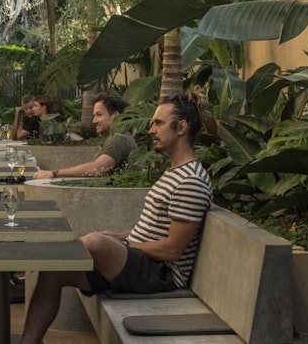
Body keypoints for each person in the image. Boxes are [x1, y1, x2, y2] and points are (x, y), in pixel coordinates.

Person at [19, 93, 212, 344]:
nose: (151, 129)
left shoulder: (191, 180)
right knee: (53, 272)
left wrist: (123, 245)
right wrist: (121, 236)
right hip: (139, 262)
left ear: (182, 127)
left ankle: (45, 252)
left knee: (96, 243)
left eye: (159, 123)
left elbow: (172, 250)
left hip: (160, 274)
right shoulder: (173, 172)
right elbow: (155, 229)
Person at [34, 91, 136, 179]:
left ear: (115, 116)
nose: (94, 121)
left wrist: (54, 173)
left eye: (99, 115)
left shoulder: (118, 139)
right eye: (94, 116)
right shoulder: (121, 136)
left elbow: (96, 169)